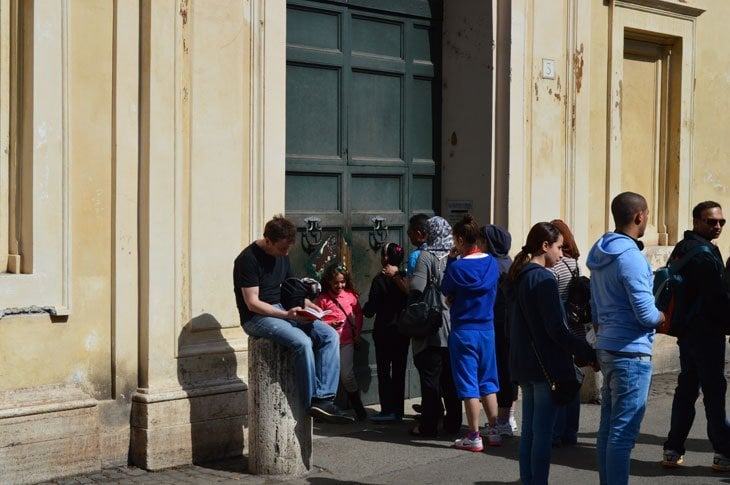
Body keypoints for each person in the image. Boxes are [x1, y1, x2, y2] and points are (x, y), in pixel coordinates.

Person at [233, 215, 353, 424]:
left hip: (284, 310)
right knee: (302, 342)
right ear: (267, 240)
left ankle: (324, 398)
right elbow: (252, 303)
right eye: (282, 248)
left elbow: (290, 290)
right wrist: (286, 315)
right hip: (257, 317)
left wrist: (309, 305)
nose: (286, 253)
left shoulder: (283, 254)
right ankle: (310, 402)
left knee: (329, 335)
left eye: (288, 248)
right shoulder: (247, 259)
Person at [507, 222, 597, 485]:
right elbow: (557, 329)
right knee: (542, 434)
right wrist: (589, 352)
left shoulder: (519, 275)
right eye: (559, 247)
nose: (561, 254)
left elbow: (509, 326)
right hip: (543, 365)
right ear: (545, 246)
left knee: (530, 433)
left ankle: (528, 480)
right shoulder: (543, 278)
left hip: (524, 363)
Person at [586, 192, 665, 485]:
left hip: (608, 345)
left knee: (609, 429)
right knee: (622, 433)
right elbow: (645, 313)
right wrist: (662, 317)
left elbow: (594, 306)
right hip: (630, 351)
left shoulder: (601, 253)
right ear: (639, 216)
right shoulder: (631, 257)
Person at [661, 201, 730, 471]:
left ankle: (672, 448)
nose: (717, 226)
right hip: (706, 332)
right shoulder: (702, 254)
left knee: (686, 389)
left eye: (721, 222)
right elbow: (716, 298)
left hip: (687, 332)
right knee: (714, 392)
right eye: (711, 221)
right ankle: (723, 452)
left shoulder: (683, 247)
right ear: (696, 221)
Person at [442, 214, 501, 451]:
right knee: (488, 381)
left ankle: (474, 434)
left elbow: (446, 289)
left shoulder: (457, 267)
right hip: (487, 328)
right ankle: (494, 430)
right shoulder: (492, 264)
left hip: (464, 330)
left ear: (458, 239)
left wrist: (450, 262)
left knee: (469, 384)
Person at [408, 216, 462, 437]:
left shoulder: (426, 257)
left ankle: (429, 426)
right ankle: (453, 424)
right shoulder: (457, 257)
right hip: (455, 326)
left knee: (430, 379)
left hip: (432, 326)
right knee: (451, 380)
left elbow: (417, 287)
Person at [479, 223, 518, 437]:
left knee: (499, 371)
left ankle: (501, 421)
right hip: (509, 323)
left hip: (496, 323)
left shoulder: (491, 265)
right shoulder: (509, 263)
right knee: (508, 370)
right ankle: (508, 417)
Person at [363, 243, 410, 422]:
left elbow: (371, 309)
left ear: (385, 258)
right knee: (399, 370)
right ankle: (398, 410)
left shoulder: (380, 280)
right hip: (403, 331)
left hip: (384, 331)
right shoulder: (405, 278)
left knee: (384, 371)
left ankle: (387, 410)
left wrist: (363, 309)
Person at [548, 219, 584, 447]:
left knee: (560, 383)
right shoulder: (574, 264)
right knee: (573, 383)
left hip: (561, 325)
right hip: (577, 327)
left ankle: (557, 432)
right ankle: (571, 432)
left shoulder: (554, 267)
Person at [317, 262, 367, 421]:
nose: (340, 285)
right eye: (336, 282)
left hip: (346, 341)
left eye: (342, 282)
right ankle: (324, 407)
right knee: (326, 374)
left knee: (346, 375)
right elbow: (316, 320)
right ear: (329, 282)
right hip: (328, 343)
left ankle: (357, 405)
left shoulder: (351, 297)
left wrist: (357, 334)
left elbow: (358, 315)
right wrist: (329, 324)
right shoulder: (323, 299)